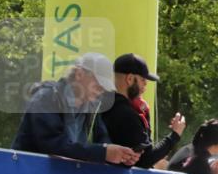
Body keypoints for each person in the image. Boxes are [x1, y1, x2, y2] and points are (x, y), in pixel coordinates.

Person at [12, 52, 140, 166]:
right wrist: (103, 152)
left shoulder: (92, 108)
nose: (101, 90)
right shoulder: (46, 97)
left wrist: (122, 157)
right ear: (79, 74)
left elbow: (103, 141)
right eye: (98, 84)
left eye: (104, 87)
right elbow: (53, 145)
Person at [102, 53, 186, 169]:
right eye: (142, 79)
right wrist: (175, 135)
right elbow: (146, 159)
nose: (145, 84)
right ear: (130, 79)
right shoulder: (127, 115)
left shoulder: (102, 105)